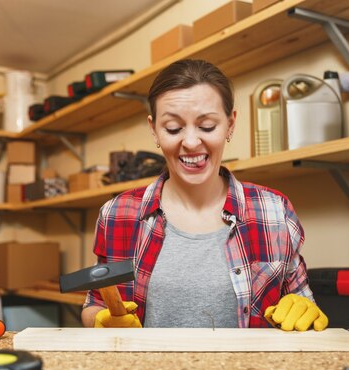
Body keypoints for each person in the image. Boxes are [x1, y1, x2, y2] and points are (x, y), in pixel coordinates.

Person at [81, 59, 328, 331]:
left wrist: (305, 308)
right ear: (154, 130)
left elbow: (303, 304)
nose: (190, 142)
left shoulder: (273, 211)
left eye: (207, 126)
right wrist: (99, 320)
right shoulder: (118, 213)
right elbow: (97, 301)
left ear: (230, 124)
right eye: (173, 128)